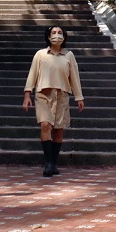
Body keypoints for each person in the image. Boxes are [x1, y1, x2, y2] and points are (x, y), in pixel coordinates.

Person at [23, 25, 85, 177]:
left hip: (62, 95)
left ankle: (53, 162)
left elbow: (74, 77)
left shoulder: (69, 55)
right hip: (43, 94)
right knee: (45, 125)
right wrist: (27, 94)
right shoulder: (40, 54)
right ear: (48, 36)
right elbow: (32, 74)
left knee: (58, 130)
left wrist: (79, 97)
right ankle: (49, 163)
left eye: (60, 33)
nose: (57, 35)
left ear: (64, 36)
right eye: (53, 33)